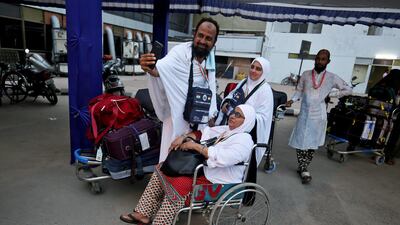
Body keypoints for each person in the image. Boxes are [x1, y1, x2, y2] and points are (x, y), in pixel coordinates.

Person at [119, 104, 256, 225]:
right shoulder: (226, 130)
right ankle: (143, 213)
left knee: (179, 184)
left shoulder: (244, 140)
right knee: (162, 167)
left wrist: (196, 147)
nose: (232, 116)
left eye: (238, 115)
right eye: (233, 112)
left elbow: (224, 158)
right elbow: (201, 133)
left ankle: (161, 222)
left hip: (218, 178)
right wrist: (184, 138)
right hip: (204, 170)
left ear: (247, 121)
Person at [140, 17, 219, 163]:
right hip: (177, 117)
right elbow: (160, 70)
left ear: (214, 43)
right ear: (194, 35)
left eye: (208, 38)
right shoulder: (180, 52)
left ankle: (184, 185)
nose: (203, 41)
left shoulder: (210, 59)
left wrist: (210, 116)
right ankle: (165, 185)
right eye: (200, 35)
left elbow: (211, 88)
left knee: (192, 161)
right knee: (170, 158)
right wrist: (148, 66)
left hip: (199, 119)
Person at [286, 49, 352, 184]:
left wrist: (331, 94)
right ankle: (303, 167)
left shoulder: (332, 77)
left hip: (318, 115)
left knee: (312, 143)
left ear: (328, 61)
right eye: (318, 58)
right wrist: (292, 100)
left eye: (323, 59)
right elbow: (298, 91)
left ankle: (304, 168)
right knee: (300, 140)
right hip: (304, 113)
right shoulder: (305, 75)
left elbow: (348, 89)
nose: (320, 61)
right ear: (315, 59)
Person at [215, 57, 274, 166]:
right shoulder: (243, 82)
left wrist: (245, 117)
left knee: (241, 161)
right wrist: (226, 104)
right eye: (252, 67)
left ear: (264, 71)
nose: (253, 71)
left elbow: (263, 118)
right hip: (234, 127)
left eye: (258, 69)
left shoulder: (265, 90)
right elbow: (231, 96)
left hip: (250, 132)